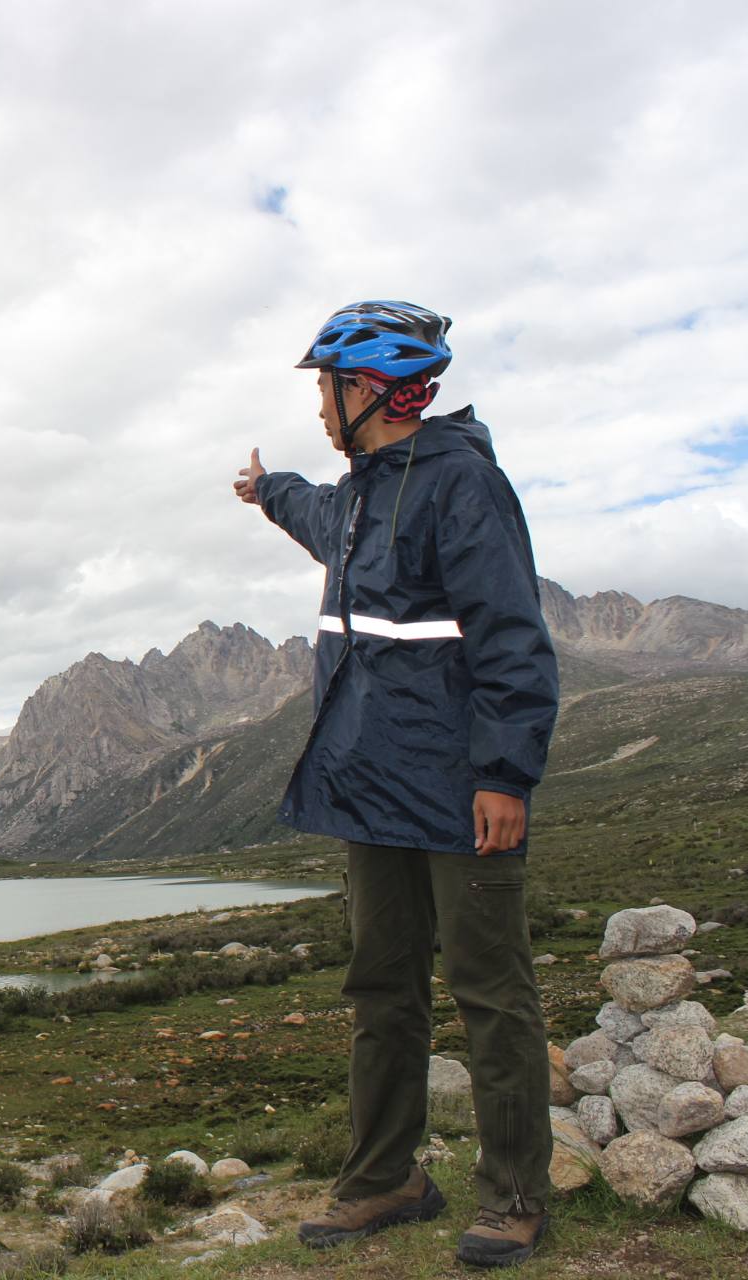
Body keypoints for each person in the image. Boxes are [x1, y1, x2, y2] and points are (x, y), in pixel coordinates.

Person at [232, 301, 560, 1269]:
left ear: (368, 388)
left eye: (324, 389)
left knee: (490, 989)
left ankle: (513, 1194)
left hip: (462, 790)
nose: (318, 410)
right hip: (372, 785)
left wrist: (506, 773)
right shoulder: (363, 491)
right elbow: (317, 516)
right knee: (382, 983)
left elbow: (512, 638)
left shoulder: (463, 486)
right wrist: (265, 489)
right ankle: (386, 1177)